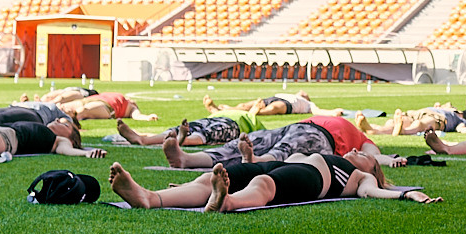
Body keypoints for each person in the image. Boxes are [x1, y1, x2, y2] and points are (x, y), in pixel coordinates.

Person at [107, 154, 439, 212]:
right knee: (211, 177)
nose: (354, 151)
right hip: (281, 164)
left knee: (265, 183)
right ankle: (151, 197)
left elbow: (375, 192)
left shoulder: (361, 177)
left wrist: (407, 194)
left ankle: (228, 202)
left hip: (311, 179)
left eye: (365, 155)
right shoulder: (352, 162)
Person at [161, 114, 404, 172]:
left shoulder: (362, 141)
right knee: (242, 142)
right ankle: (186, 159)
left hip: (320, 139)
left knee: (284, 151)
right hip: (294, 127)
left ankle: (254, 162)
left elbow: (373, 156)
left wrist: (390, 160)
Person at [115, 112, 254, 147]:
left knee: (204, 133)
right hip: (214, 119)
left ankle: (183, 139)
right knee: (200, 132)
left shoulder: (250, 117)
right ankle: (142, 139)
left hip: (233, 124)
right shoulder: (223, 110)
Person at [41, 88, 138, 121]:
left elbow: (137, 114)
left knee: (83, 111)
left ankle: (67, 119)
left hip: (106, 107)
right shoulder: (119, 96)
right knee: (62, 106)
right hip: (90, 98)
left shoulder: (130, 107)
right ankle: (40, 108)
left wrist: (147, 117)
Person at [203, 92, 311, 118]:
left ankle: (256, 112)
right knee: (243, 105)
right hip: (274, 98)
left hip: (288, 104)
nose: (303, 92)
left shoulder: (307, 104)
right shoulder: (293, 94)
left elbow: (318, 111)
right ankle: (220, 110)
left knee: (273, 108)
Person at [379, 105, 466, 137]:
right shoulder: (447, 107)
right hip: (421, 112)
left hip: (438, 118)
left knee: (420, 123)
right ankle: (372, 129)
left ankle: (403, 131)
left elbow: (461, 127)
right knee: (394, 121)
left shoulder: (459, 118)